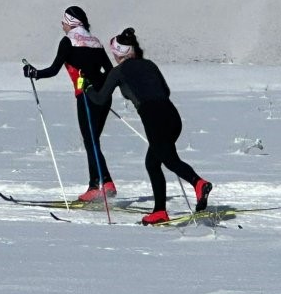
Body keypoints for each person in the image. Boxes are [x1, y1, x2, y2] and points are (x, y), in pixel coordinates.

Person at [84, 27, 212, 226]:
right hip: (172, 115)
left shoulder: (118, 72)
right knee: (153, 163)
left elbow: (101, 99)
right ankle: (159, 211)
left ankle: (198, 183)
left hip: (153, 117)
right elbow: (166, 91)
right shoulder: (149, 64)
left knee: (169, 160)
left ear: (118, 54)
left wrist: (88, 88)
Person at [23, 6, 115, 202]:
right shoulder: (95, 41)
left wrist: (35, 73)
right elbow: (110, 71)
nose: (62, 25)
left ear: (71, 22)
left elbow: (54, 69)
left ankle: (96, 186)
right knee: (93, 140)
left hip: (86, 95)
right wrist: (102, 88)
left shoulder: (68, 41)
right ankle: (106, 183)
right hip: (104, 95)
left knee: (90, 140)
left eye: (63, 22)